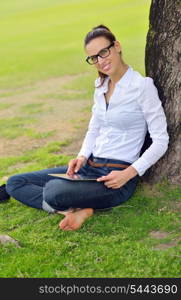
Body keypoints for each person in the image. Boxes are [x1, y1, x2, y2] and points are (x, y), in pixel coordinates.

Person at [0, 25, 169, 231]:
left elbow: (161, 139)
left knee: (54, 191)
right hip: (89, 167)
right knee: (15, 183)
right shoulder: (101, 86)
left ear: (116, 46)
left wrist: (129, 173)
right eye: (94, 58)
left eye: (103, 52)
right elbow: (94, 127)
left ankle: (72, 202)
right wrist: (81, 157)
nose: (100, 61)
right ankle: (72, 211)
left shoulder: (142, 86)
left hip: (116, 178)